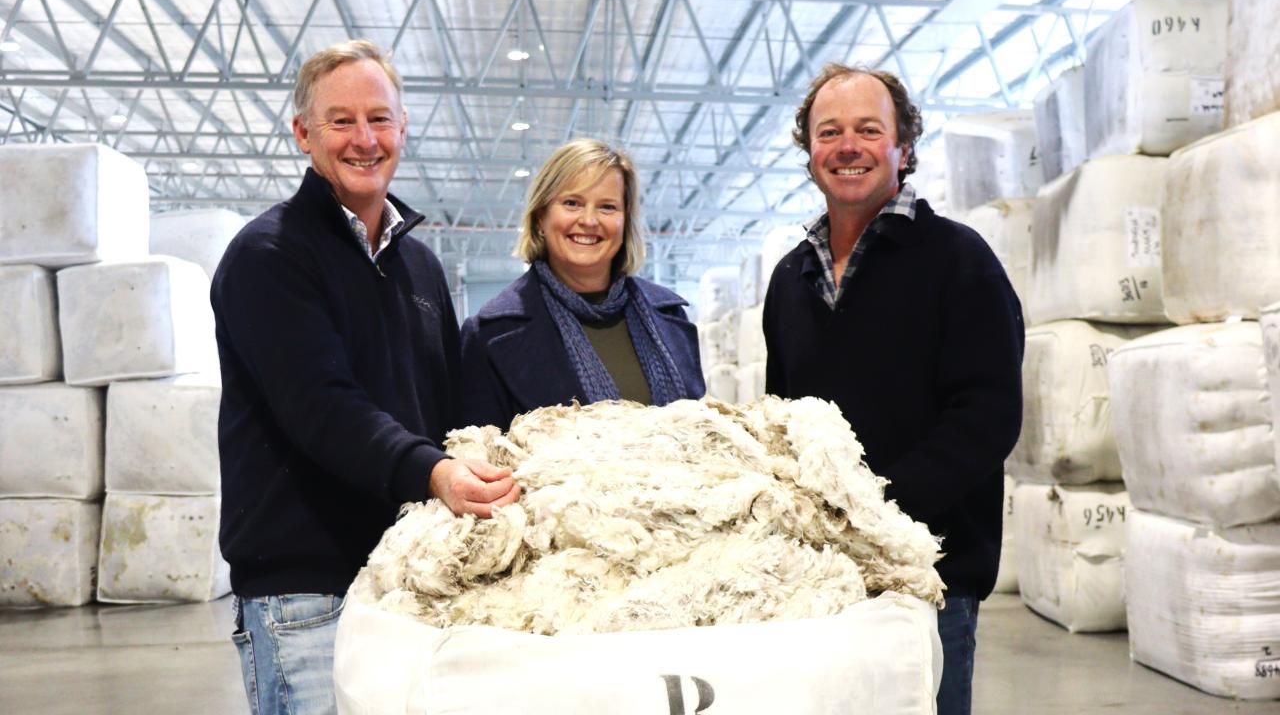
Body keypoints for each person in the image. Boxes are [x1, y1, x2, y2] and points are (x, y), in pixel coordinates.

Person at [210, 40, 520, 715]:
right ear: (303, 133)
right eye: (341, 121)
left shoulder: (423, 271)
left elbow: (447, 410)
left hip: (409, 583)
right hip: (307, 594)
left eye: (379, 119)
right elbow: (321, 407)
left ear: (403, 130)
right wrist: (435, 473)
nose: (364, 139)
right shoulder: (269, 257)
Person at [762, 63, 1024, 715]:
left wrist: (874, 508)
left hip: (927, 582)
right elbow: (780, 423)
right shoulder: (789, 281)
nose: (847, 146)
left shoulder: (957, 261)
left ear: (903, 149)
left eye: (867, 129)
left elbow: (987, 415)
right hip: (819, 581)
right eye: (830, 132)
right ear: (810, 151)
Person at [459, 138, 705, 429]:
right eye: (572, 203)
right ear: (541, 217)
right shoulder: (490, 333)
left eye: (607, 207)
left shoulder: (671, 317)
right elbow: (479, 459)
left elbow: (701, 436)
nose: (589, 220)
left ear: (625, 222)